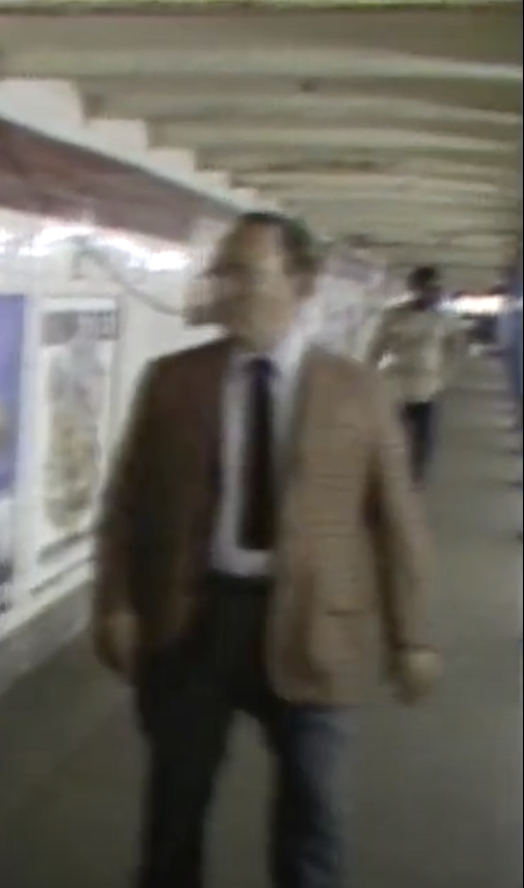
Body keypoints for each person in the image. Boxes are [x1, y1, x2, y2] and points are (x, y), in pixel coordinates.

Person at [94, 212, 441, 888]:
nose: (222, 288)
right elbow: (126, 507)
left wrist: (413, 637)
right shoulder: (173, 380)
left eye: (241, 273)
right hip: (194, 623)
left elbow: (397, 521)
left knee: (312, 817)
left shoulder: (357, 391)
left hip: (317, 625)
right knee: (173, 807)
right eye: (219, 271)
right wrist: (114, 603)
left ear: (301, 283)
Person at [365, 264, 466, 482]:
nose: (431, 293)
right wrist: (368, 372)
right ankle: (388, 474)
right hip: (394, 382)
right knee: (391, 433)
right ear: (414, 288)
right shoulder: (393, 314)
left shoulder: (446, 319)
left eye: (435, 289)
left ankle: (415, 477)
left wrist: (444, 376)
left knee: (423, 437)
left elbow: (455, 350)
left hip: (427, 385)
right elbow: (376, 345)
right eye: (426, 288)